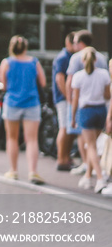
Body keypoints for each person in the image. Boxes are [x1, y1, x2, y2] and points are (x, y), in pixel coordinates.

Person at [0, 35, 46, 185]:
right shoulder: (34, 62)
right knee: (32, 139)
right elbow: (43, 82)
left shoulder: (6, 63)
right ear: (26, 48)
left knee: (12, 138)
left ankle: (13, 171)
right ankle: (33, 172)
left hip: (12, 103)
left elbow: (3, 85)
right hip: (32, 103)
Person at [66, 29, 109, 177]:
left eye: (76, 42)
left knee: (89, 144)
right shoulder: (102, 61)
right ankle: (88, 175)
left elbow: (73, 91)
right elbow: (107, 93)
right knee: (95, 144)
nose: (74, 45)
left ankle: (97, 176)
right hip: (101, 109)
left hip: (85, 110)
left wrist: (71, 114)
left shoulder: (77, 68)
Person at [51, 32, 76, 171]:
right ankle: (61, 159)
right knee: (64, 128)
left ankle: (66, 157)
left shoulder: (71, 57)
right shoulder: (63, 58)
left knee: (70, 129)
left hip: (69, 99)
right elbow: (60, 79)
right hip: (63, 99)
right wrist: (68, 97)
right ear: (68, 43)